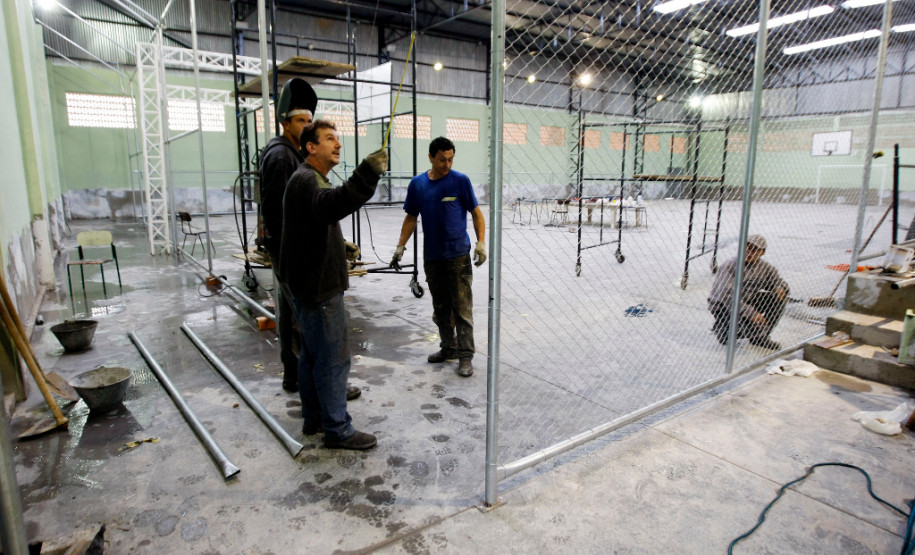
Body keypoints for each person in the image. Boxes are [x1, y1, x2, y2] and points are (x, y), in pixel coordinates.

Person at [277, 120, 387, 450]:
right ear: (311, 147)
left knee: (312, 354)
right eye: (329, 139)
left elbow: (316, 220)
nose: (337, 145)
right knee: (334, 359)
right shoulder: (308, 178)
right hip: (318, 287)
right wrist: (367, 172)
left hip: (305, 281)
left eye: (338, 139)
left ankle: (314, 418)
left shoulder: (306, 178)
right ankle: (337, 429)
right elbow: (331, 204)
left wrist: (338, 244)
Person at [259, 79, 361, 401]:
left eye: (308, 121)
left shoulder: (291, 155)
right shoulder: (282, 158)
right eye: (300, 121)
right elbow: (282, 215)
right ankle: (317, 385)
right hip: (293, 254)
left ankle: (302, 379)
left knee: (298, 317)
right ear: (284, 122)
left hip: (295, 251)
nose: (305, 126)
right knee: (302, 319)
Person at [389, 137, 486, 377]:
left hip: (458, 256)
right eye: (442, 159)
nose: (447, 164)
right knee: (441, 307)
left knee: (462, 309)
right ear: (431, 157)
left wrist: (481, 243)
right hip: (432, 257)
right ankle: (449, 348)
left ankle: (466, 356)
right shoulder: (418, 185)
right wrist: (400, 247)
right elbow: (411, 217)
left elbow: (476, 213)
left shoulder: (460, 181)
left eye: (451, 159)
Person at [708, 234, 788, 350]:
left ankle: (760, 337)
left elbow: (778, 281)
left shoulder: (765, 267)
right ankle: (724, 329)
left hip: (747, 300)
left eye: (755, 249)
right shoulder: (730, 266)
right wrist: (751, 313)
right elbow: (727, 296)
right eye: (747, 248)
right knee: (741, 331)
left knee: (779, 299)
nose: (749, 252)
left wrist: (780, 288)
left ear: (762, 252)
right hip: (723, 306)